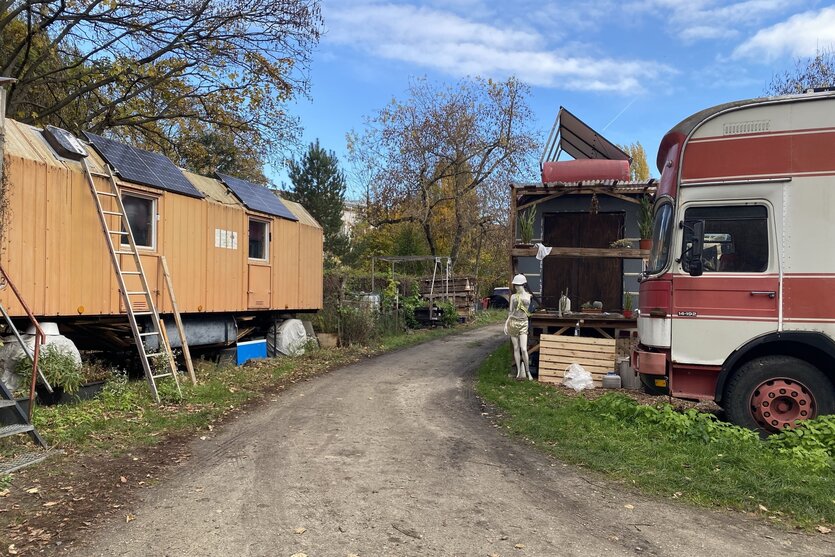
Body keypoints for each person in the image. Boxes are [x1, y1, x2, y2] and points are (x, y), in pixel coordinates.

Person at [504, 274, 533, 380]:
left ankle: (528, 371)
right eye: (515, 285)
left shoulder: (529, 296)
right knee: (516, 348)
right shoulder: (513, 297)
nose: (516, 287)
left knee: (524, 349)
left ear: (523, 284)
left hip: (524, 323)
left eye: (518, 285)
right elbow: (510, 311)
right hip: (513, 322)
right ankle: (518, 371)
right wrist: (506, 324)